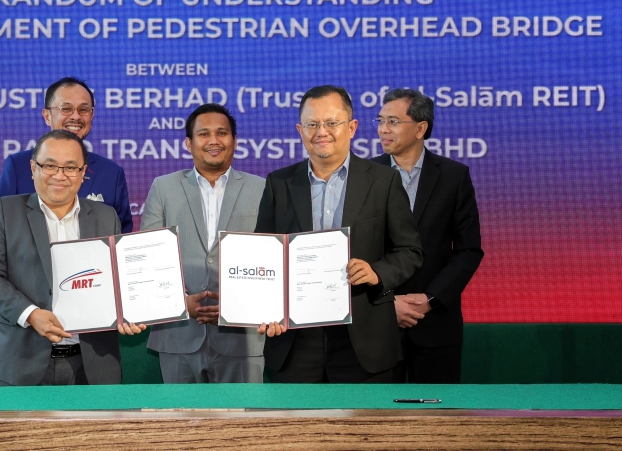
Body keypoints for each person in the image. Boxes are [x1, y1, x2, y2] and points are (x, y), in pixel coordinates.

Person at [254, 85, 423, 383]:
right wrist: (267, 310)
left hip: (364, 339)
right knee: (296, 429)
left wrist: (376, 272)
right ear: (300, 129)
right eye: (312, 124)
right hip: (295, 340)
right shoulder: (279, 184)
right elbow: (263, 259)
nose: (322, 132)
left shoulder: (383, 181)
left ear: (352, 127)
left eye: (332, 123)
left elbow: (410, 251)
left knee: (366, 430)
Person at [0, 130, 145, 386]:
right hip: (19, 360)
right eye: (50, 165)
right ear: (33, 168)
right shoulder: (6, 211)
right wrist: (31, 314)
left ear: (83, 172)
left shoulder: (106, 216)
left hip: (92, 364)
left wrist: (129, 311)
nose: (59, 175)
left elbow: (121, 280)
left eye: (70, 167)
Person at [140, 104, 266, 383]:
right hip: (178, 333)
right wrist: (181, 302)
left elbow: (272, 261)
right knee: (181, 424)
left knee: (242, 422)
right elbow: (147, 260)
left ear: (234, 141)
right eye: (204, 133)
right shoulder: (163, 187)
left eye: (222, 133)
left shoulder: (262, 188)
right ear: (189, 143)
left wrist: (237, 304)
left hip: (242, 337)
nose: (213, 140)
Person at [372, 88, 483, 384]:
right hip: (378, 322)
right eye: (380, 121)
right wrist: (387, 302)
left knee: (438, 419)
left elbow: (468, 250)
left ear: (421, 128)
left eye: (393, 121)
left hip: (435, 323)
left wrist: (429, 299)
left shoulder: (453, 176)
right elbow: (355, 250)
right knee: (374, 420)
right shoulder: (365, 174)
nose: (384, 129)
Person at [0, 77, 133, 233]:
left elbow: (121, 239)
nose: (76, 117)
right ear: (47, 115)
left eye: (83, 109)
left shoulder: (111, 173)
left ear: (92, 115)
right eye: (66, 109)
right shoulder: (17, 166)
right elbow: (1, 231)